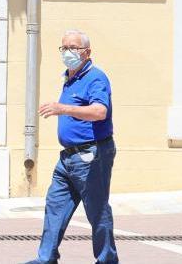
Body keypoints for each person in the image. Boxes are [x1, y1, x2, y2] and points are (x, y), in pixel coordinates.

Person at [25, 29, 118, 264]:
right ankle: (46, 258)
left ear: (87, 52)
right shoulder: (69, 77)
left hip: (91, 155)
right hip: (67, 157)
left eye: (73, 48)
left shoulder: (95, 78)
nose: (68, 52)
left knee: (97, 210)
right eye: (64, 47)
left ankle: (107, 259)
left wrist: (63, 109)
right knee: (55, 206)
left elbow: (100, 111)